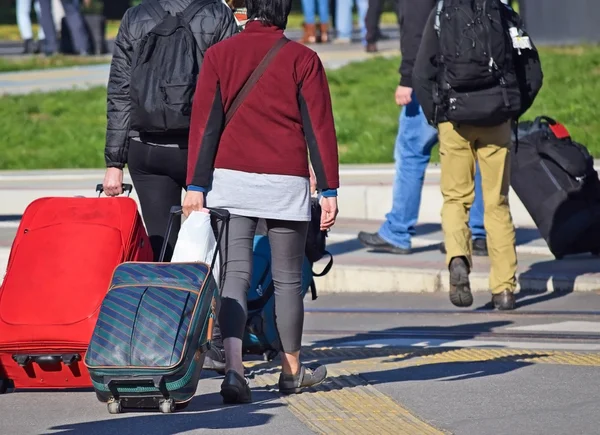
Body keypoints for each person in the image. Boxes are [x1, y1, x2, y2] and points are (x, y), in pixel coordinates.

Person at [183, 0, 340, 403]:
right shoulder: (303, 59)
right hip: (285, 182)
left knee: (234, 272)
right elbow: (318, 126)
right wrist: (329, 189)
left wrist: (196, 184)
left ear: (247, 11)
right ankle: (291, 371)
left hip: (230, 182)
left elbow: (204, 124)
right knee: (288, 279)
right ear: (284, 13)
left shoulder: (219, 55)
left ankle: (234, 370)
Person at [102, 0, 237, 372]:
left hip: (147, 151)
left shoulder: (136, 16)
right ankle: (217, 341)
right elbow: (235, 86)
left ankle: (164, 342)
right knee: (214, 251)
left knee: (162, 251)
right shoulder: (217, 14)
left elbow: (120, 91)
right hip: (203, 150)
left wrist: (114, 162)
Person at [411, 0, 539, 310]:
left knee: (456, 199)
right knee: (497, 202)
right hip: (497, 119)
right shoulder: (505, 13)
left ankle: (458, 260)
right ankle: (505, 289)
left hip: (455, 120)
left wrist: (437, 116)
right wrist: (511, 109)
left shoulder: (441, 14)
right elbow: (533, 71)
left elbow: (421, 73)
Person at [358, 0, 487, 259]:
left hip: (434, 81)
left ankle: (397, 231)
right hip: (472, 76)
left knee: (410, 152)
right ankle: (476, 232)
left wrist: (407, 79)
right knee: (471, 152)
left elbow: (417, 31)